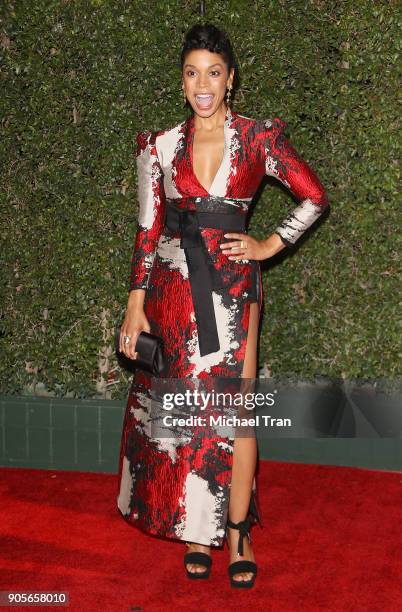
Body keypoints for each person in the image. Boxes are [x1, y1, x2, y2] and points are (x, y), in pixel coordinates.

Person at [116, 23, 329, 588]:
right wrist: (135, 304)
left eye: (213, 72)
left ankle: (237, 529)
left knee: (237, 413)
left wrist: (268, 244)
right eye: (192, 72)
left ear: (231, 79)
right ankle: (195, 526)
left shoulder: (257, 138)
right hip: (171, 292)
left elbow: (313, 196)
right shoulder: (160, 146)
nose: (202, 84)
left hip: (234, 292)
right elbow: (147, 229)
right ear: (182, 81)